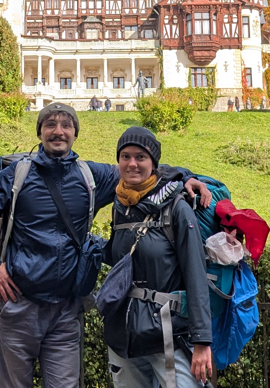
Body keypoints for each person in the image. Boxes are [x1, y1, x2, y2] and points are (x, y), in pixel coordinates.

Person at [0, 104, 212, 388]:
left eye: (66, 125)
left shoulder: (91, 176)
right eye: (50, 124)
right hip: (19, 304)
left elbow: (139, 168)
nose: (58, 131)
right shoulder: (17, 175)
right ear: (39, 131)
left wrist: (186, 177)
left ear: (75, 133)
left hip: (66, 311)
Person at [103, 127, 213, 388]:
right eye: (125, 156)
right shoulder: (119, 206)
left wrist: (202, 341)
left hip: (167, 334)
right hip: (124, 336)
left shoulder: (176, 207)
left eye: (140, 157)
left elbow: (196, 273)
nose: (132, 164)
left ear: (154, 163)